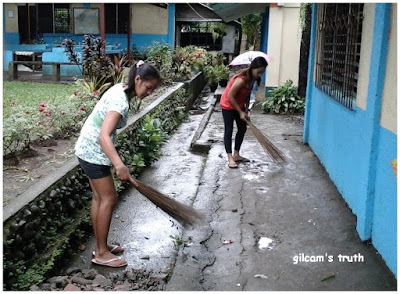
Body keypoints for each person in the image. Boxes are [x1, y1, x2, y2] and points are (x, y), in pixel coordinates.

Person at [75, 60, 161, 268]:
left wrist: (113, 160)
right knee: (109, 199)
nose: (149, 93)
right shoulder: (120, 103)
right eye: (148, 88)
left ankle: (101, 246)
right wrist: (119, 164)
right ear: (137, 79)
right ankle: (102, 253)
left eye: (153, 90)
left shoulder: (119, 89)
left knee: (99, 198)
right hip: (93, 152)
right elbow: (104, 136)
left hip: (87, 149)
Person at [220, 56, 268, 168]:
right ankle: (230, 157)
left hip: (239, 105)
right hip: (228, 105)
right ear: (252, 68)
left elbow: (246, 95)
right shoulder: (241, 79)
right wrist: (240, 112)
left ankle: (236, 154)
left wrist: (246, 110)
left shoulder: (252, 79)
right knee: (229, 130)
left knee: (242, 128)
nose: (260, 74)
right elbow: (230, 96)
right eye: (259, 72)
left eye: (262, 72)